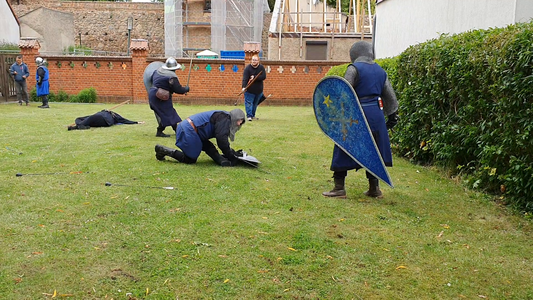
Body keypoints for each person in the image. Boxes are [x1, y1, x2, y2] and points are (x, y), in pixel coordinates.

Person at [323, 41, 399, 199]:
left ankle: (339, 188)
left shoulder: (354, 69)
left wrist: (337, 112)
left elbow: (344, 92)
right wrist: (392, 115)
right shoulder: (380, 70)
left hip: (357, 114)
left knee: (344, 144)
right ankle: (374, 188)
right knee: (374, 149)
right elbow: (390, 96)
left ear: (354, 54)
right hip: (376, 115)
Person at [154, 109, 246, 167]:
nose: (239, 124)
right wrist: (231, 156)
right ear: (235, 117)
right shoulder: (225, 119)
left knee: (210, 148)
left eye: (241, 122)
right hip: (188, 130)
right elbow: (221, 140)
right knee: (190, 159)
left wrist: (232, 153)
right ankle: (163, 150)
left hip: (194, 130)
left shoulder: (224, 117)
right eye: (239, 120)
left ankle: (220, 160)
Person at [148, 57, 190, 137]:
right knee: (169, 114)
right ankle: (177, 131)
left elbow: (154, 80)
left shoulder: (158, 71)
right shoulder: (171, 77)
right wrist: (186, 89)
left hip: (155, 95)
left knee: (166, 114)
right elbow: (178, 89)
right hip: (159, 97)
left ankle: (161, 132)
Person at [241, 55, 266, 121]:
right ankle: (249, 116)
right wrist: (243, 87)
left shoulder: (261, 68)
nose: (254, 61)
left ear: (258, 61)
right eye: (253, 60)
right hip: (249, 90)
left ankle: (253, 115)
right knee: (249, 103)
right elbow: (245, 78)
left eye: (255, 60)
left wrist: (255, 77)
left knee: (255, 104)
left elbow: (263, 76)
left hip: (258, 90)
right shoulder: (248, 68)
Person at [67, 110, 144, 130]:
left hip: (103, 118)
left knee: (90, 118)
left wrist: (136, 122)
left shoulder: (114, 115)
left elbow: (125, 120)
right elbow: (124, 121)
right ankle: (82, 124)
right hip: (103, 121)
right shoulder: (106, 113)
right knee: (81, 119)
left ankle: (78, 126)